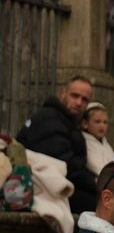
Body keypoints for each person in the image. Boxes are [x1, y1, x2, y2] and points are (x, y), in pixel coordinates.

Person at [18, 75, 95, 213]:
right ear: (62, 93)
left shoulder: (67, 122)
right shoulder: (49, 118)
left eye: (85, 99)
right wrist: (95, 182)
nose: (79, 102)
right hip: (41, 188)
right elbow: (65, 164)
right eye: (75, 96)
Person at [81, 102, 114, 174]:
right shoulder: (83, 142)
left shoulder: (106, 144)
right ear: (85, 124)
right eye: (97, 122)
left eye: (105, 122)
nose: (102, 126)